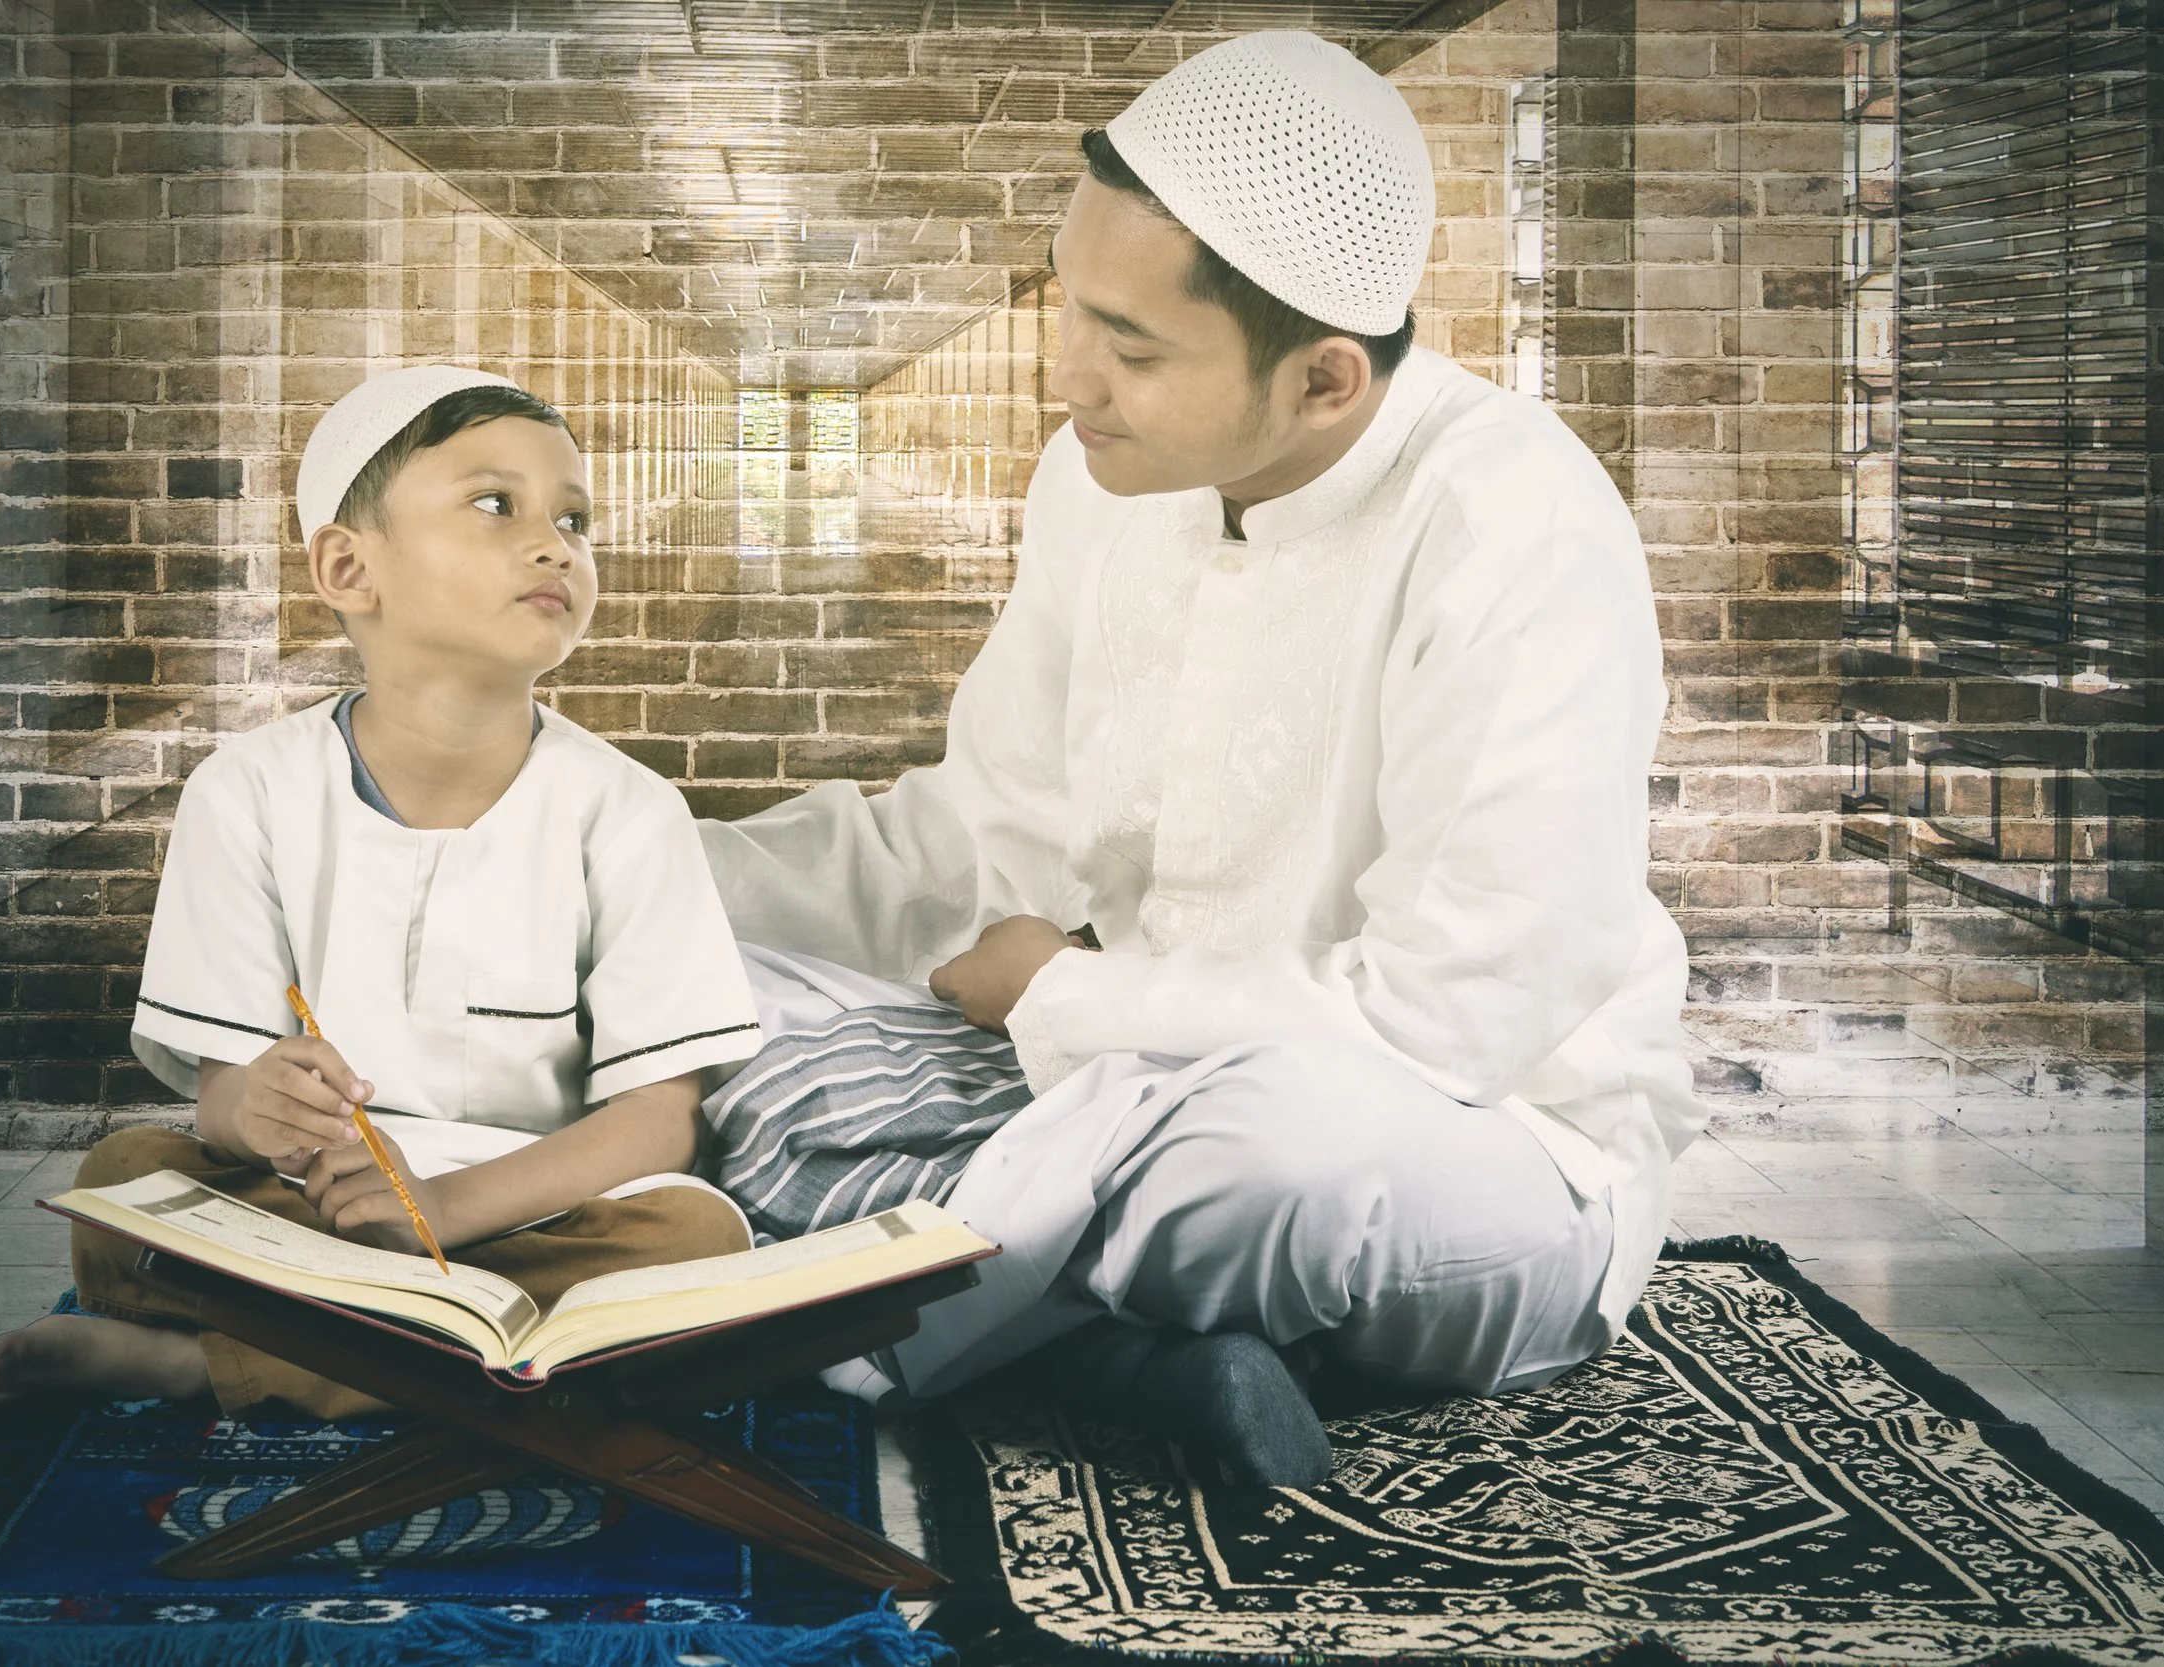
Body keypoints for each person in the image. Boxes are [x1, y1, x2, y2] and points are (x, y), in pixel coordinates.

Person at [696, 32, 1703, 1485]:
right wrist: (629, 868)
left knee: (1265, 1164)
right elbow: (974, 841)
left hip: (1462, 1143)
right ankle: (1137, 1357)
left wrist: (1067, 994)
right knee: (680, 993)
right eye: (1067, 307)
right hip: (1096, 1083)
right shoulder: (1100, 479)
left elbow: (1452, 1021)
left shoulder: (1517, 527)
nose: (1067, 377)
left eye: (1131, 344)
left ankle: (1031, 1302)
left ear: (1324, 382)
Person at [0, 366, 765, 1416]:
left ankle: (207, 1366)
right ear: (348, 566)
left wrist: (439, 1205)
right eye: (496, 504)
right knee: (127, 1181)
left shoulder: (631, 808)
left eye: (575, 518)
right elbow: (220, 1104)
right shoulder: (244, 792)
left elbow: (660, 1120)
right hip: (312, 1205)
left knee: (698, 1238)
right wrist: (262, 1107)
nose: (554, 542)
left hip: (527, 1208)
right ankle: (456, 1355)